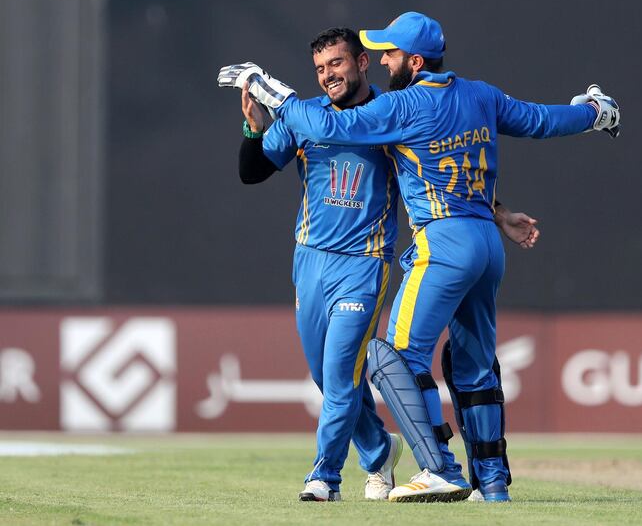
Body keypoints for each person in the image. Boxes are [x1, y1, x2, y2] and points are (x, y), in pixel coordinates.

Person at [217, 26, 543, 502]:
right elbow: (252, 173)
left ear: (362, 63)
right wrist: (253, 127)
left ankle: (324, 478)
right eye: (321, 69)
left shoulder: (390, 118)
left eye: (337, 65)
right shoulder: (306, 118)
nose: (329, 76)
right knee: (328, 378)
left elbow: (443, 175)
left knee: (344, 371)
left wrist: (496, 213)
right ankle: (377, 452)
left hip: (366, 264)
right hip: (309, 262)